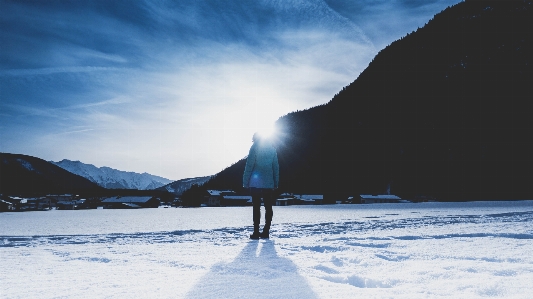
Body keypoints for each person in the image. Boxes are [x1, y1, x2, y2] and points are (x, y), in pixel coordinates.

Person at [242, 132, 279, 239]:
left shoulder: (255, 147)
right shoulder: (272, 149)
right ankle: (266, 231)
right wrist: (276, 182)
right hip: (268, 183)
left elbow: (249, 165)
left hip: (256, 183)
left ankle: (256, 232)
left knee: (256, 207)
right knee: (268, 207)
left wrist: (245, 181)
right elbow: (276, 168)